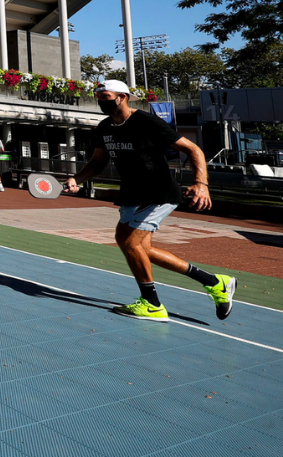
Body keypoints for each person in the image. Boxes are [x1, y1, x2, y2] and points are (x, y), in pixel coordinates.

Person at [66, 80, 235, 322]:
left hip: (158, 192)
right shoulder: (104, 128)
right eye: (99, 97)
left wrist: (201, 184)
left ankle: (152, 304)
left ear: (122, 97)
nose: (101, 101)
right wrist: (77, 178)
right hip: (132, 194)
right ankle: (215, 282)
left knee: (128, 241)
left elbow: (194, 149)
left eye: (106, 96)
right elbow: (97, 162)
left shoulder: (146, 121)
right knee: (142, 249)